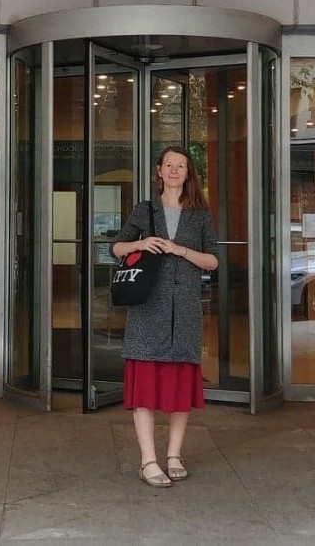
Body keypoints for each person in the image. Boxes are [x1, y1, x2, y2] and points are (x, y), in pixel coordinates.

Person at [111, 146, 219, 488]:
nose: (174, 170)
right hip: (147, 309)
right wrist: (141, 243)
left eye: (181, 166)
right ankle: (148, 460)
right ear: (159, 171)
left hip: (185, 309)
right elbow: (116, 247)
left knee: (178, 386)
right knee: (144, 386)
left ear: (188, 174)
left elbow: (213, 261)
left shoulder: (199, 215)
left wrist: (180, 250)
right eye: (169, 165)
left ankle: (174, 455)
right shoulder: (145, 210)